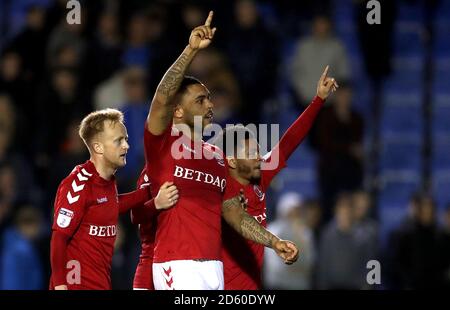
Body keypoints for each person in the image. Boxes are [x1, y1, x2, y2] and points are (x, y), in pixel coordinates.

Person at [144, 11, 298, 290]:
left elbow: (234, 214)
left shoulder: (216, 156)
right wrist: (190, 50)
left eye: (210, 99)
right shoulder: (162, 143)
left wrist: (273, 242)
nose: (210, 105)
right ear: (177, 111)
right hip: (178, 265)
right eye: (201, 100)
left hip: (214, 270)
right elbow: (161, 98)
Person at [216, 66, 337, 289]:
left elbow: (289, 141)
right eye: (251, 153)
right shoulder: (219, 188)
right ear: (231, 161)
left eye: (258, 151)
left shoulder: (260, 178)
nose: (259, 157)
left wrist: (318, 99)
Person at [49, 108, 178, 290]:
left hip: (100, 283)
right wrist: (61, 286)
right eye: (119, 141)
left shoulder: (106, 182)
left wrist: (152, 194)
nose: (126, 145)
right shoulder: (79, 183)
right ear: (98, 147)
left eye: (126, 139)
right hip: (77, 284)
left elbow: (110, 204)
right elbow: (59, 238)